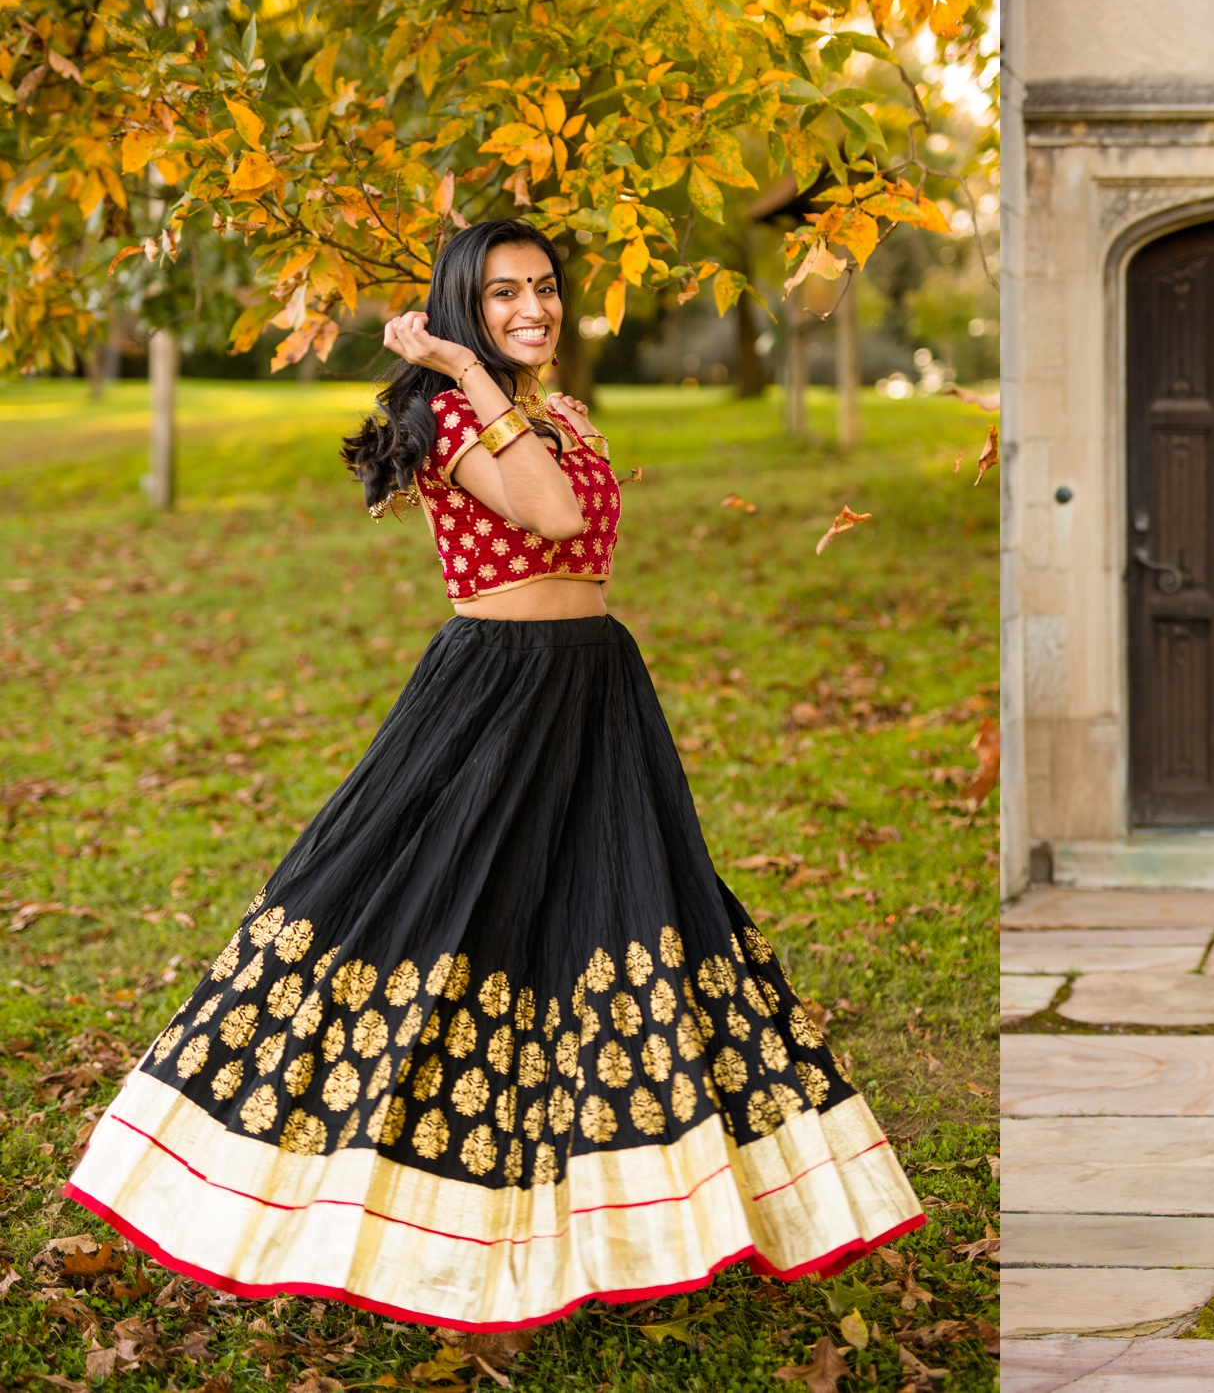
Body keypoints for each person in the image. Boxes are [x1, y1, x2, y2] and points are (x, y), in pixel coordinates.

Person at [66, 219, 923, 1330]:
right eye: (504, 293)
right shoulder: (449, 410)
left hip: (595, 683)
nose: (532, 308)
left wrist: (497, 380)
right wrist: (460, 366)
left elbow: (584, 539)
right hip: (493, 690)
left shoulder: (555, 409)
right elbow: (555, 516)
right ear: (463, 306)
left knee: (616, 918)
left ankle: (628, 1219)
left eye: (545, 288)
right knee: (422, 914)